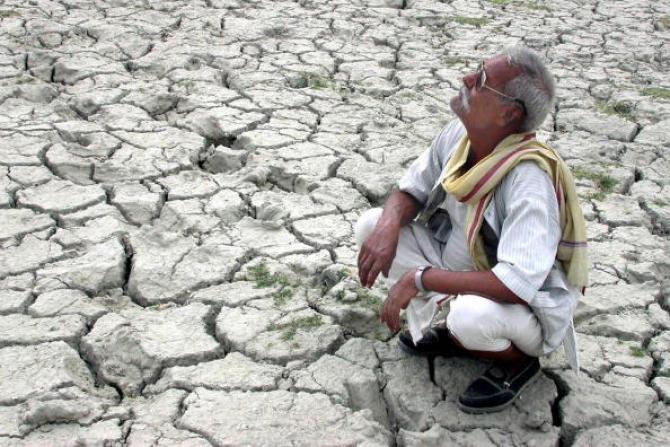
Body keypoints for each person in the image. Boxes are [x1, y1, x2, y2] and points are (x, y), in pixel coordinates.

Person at [354, 46, 588, 414]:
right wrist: (386, 227)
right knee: (371, 227)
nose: (466, 79)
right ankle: (456, 335)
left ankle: (517, 362)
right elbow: (409, 190)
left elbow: (515, 284)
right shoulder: (462, 137)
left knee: (472, 318)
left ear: (508, 114)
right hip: (461, 268)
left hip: (520, 306)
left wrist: (421, 279)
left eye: (481, 81)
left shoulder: (528, 179)